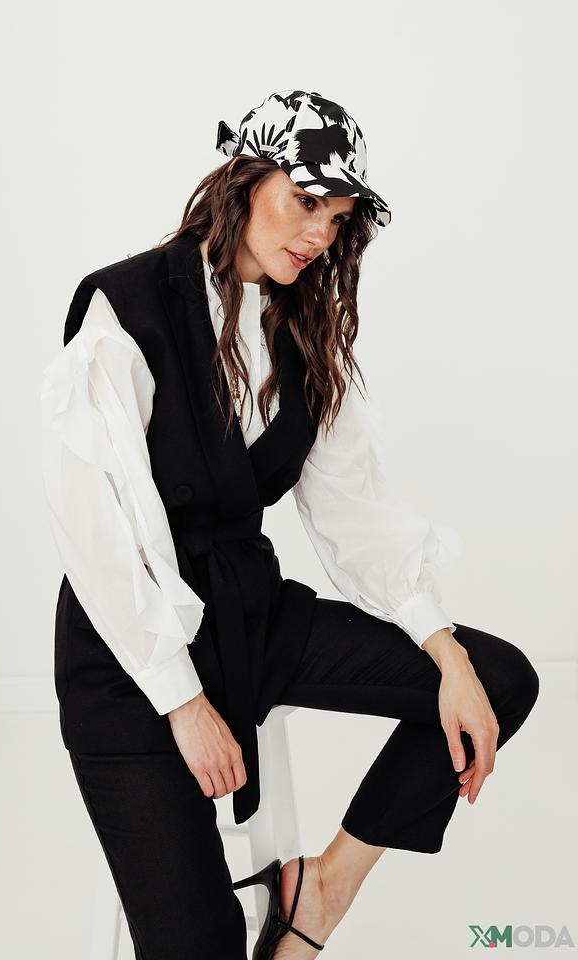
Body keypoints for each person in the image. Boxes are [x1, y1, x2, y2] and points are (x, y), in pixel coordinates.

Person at [40, 89, 540, 960]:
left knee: (495, 680)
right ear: (244, 178)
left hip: (252, 618)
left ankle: (321, 892)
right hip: (131, 662)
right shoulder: (127, 309)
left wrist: (447, 653)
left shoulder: (300, 326)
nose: (319, 235)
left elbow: (355, 516)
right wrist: (183, 702)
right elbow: (99, 532)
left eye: (337, 218)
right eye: (307, 201)